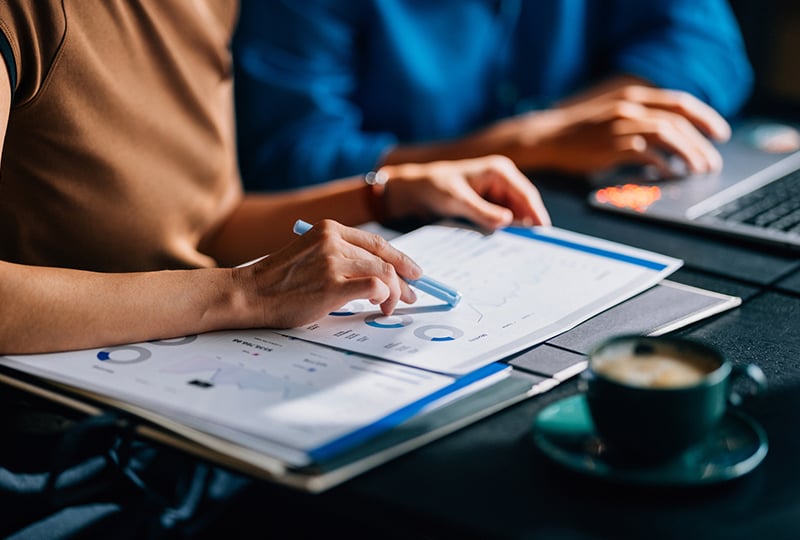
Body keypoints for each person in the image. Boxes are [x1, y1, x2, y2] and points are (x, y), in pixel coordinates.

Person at [0, 2, 548, 537]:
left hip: (181, 431)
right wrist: (244, 292)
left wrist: (390, 193)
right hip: (57, 455)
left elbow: (209, 222)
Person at [232, 0, 755, 191]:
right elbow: (290, 158)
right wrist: (522, 144)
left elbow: (706, 48)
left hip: (580, 195)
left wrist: (562, 130)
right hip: (405, 232)